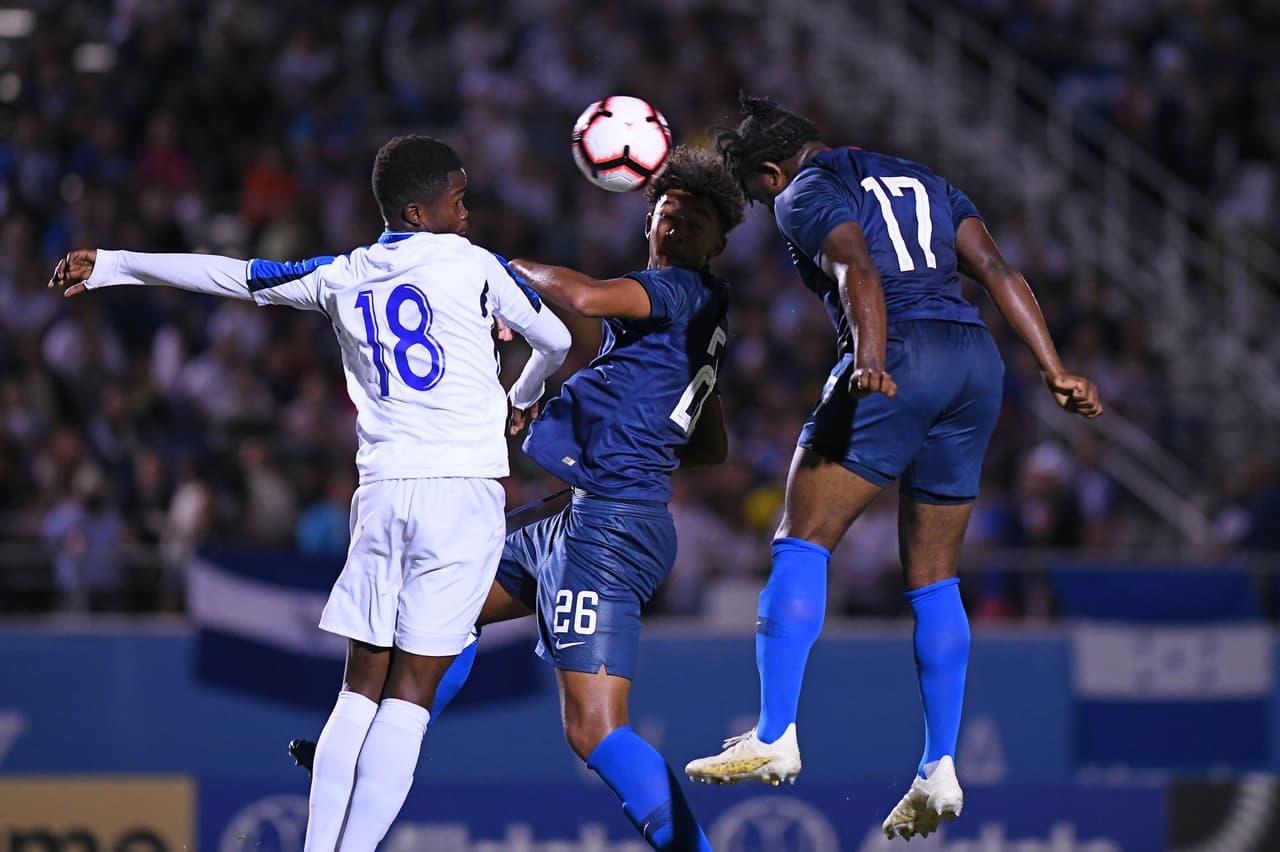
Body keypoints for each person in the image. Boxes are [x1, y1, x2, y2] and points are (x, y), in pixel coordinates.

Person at [48, 134, 572, 852]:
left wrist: (114, 264)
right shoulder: (478, 267)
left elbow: (231, 275)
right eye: (458, 199)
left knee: (357, 693)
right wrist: (520, 397)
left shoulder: (344, 273)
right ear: (419, 211)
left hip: (384, 494)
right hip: (461, 492)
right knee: (410, 701)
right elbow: (556, 339)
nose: (469, 211)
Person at [291, 145, 747, 852]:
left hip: (609, 530)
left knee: (592, 728)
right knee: (442, 611)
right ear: (647, 222)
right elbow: (709, 444)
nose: (675, 228)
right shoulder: (693, 324)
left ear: (719, 243)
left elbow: (586, 298)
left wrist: (488, 267)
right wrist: (624, 433)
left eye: (694, 223)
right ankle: (372, 741)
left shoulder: (679, 293)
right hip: (582, 511)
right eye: (666, 214)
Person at [682, 95, 1103, 841]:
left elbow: (855, 269)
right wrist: (1055, 368)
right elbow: (996, 267)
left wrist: (870, 360)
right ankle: (938, 767)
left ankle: (776, 731)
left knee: (801, 537)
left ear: (773, 172)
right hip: (976, 363)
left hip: (898, 351)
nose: (762, 202)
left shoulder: (807, 191)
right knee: (934, 577)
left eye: (756, 190)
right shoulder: (923, 179)